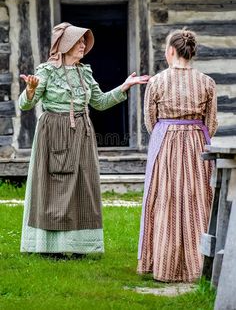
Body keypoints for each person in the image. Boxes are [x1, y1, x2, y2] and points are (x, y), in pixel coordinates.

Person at [19, 22, 149, 257]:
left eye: (83, 42)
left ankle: (79, 246)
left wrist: (125, 86)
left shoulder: (84, 72)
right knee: (52, 187)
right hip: (53, 132)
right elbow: (26, 104)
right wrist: (29, 91)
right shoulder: (46, 71)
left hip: (82, 133)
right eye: (78, 42)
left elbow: (99, 102)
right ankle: (50, 248)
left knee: (83, 186)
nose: (83, 46)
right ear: (65, 44)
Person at [137, 29, 218, 282]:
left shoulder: (156, 82)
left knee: (165, 200)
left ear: (171, 50)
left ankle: (165, 266)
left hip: (166, 143)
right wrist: (193, 132)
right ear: (191, 52)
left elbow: (150, 122)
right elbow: (212, 122)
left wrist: (168, 131)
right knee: (197, 200)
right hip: (197, 144)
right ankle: (198, 267)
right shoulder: (207, 82)